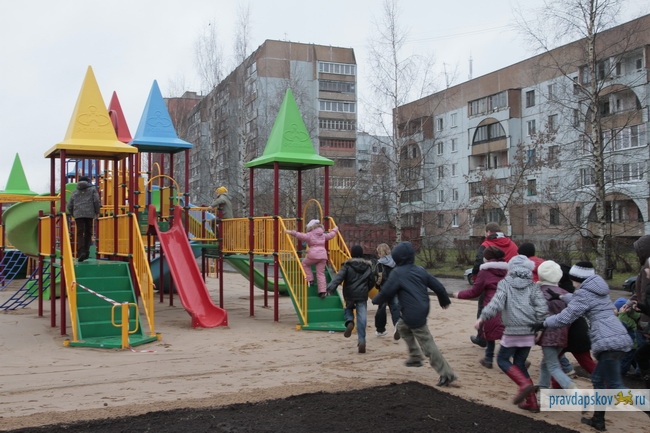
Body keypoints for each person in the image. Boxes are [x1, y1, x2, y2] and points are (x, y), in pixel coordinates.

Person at [537, 261, 633, 431]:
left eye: (572, 279)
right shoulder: (597, 289)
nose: (572, 282)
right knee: (598, 379)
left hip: (608, 341)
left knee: (616, 386)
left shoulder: (583, 293)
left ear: (577, 279)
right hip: (618, 337)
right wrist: (560, 297)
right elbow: (580, 301)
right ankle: (598, 420)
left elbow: (565, 317)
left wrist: (543, 323)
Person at [372, 241, 457, 387]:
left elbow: (386, 291)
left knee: (427, 344)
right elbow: (438, 286)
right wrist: (444, 299)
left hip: (412, 312)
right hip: (421, 308)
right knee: (402, 327)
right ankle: (415, 356)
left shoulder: (397, 273)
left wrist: (376, 300)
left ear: (397, 258)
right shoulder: (420, 270)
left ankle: (446, 374)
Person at [475, 254, 548, 413]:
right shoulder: (533, 286)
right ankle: (532, 402)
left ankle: (524, 384)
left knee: (502, 359)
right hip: (530, 329)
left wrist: (482, 317)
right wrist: (541, 328)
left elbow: (496, 303)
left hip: (513, 329)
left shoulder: (505, 283)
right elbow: (542, 308)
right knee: (520, 363)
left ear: (511, 268)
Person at [451, 245, 507, 369]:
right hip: (508, 307)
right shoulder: (507, 271)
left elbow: (475, 291)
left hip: (491, 306)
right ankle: (516, 357)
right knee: (506, 334)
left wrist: (459, 294)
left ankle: (489, 359)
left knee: (490, 333)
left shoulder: (485, 272)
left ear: (487, 258)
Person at [470, 222, 519, 348]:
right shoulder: (512, 245)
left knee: (484, 308)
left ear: (488, 232)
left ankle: (482, 337)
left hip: (490, 284)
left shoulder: (486, 245)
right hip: (509, 283)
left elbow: (478, 263)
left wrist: (476, 279)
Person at [535, 260, 578, 391]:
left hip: (547, 335)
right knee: (546, 363)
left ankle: (572, 388)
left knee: (553, 366)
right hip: (563, 334)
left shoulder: (539, 292)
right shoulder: (564, 294)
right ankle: (542, 389)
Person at [327, 245, 374, 353]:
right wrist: (366, 289)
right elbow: (372, 280)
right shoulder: (368, 267)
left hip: (349, 294)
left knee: (348, 309)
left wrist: (330, 289)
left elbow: (339, 278)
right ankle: (362, 340)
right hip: (362, 294)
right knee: (362, 316)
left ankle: (349, 322)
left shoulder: (347, 266)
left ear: (351, 254)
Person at [286, 219, 339, 298]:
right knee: (320, 273)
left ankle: (310, 279)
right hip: (323, 256)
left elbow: (300, 236)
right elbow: (331, 235)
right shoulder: (323, 235)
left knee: (305, 263)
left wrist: (291, 232)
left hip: (313, 255)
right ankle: (322, 292)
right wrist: (335, 229)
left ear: (310, 227)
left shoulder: (310, 234)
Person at [66, 175, 100, 262]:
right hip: (89, 214)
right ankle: (86, 251)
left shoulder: (75, 192)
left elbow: (69, 205)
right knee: (88, 232)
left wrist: (73, 213)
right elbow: (96, 201)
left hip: (78, 215)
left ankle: (81, 252)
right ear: (88, 182)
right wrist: (97, 211)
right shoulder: (92, 190)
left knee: (80, 233)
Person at [373, 243, 400, 339]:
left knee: (381, 308)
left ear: (380, 252)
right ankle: (397, 323)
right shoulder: (395, 262)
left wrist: (377, 285)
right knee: (395, 307)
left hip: (384, 288)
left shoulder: (380, 263)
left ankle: (380, 330)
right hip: (394, 288)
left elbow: (379, 277)